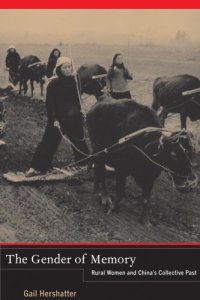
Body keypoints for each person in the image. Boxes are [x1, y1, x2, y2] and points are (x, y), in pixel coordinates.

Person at [26, 56, 89, 176]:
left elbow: (77, 100)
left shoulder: (74, 81)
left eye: (69, 67)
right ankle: (36, 168)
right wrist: (54, 119)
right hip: (58, 119)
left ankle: (84, 164)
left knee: (80, 141)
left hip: (73, 118)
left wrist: (81, 111)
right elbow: (50, 104)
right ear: (59, 69)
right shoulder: (53, 83)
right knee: (49, 142)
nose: (68, 69)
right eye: (65, 67)